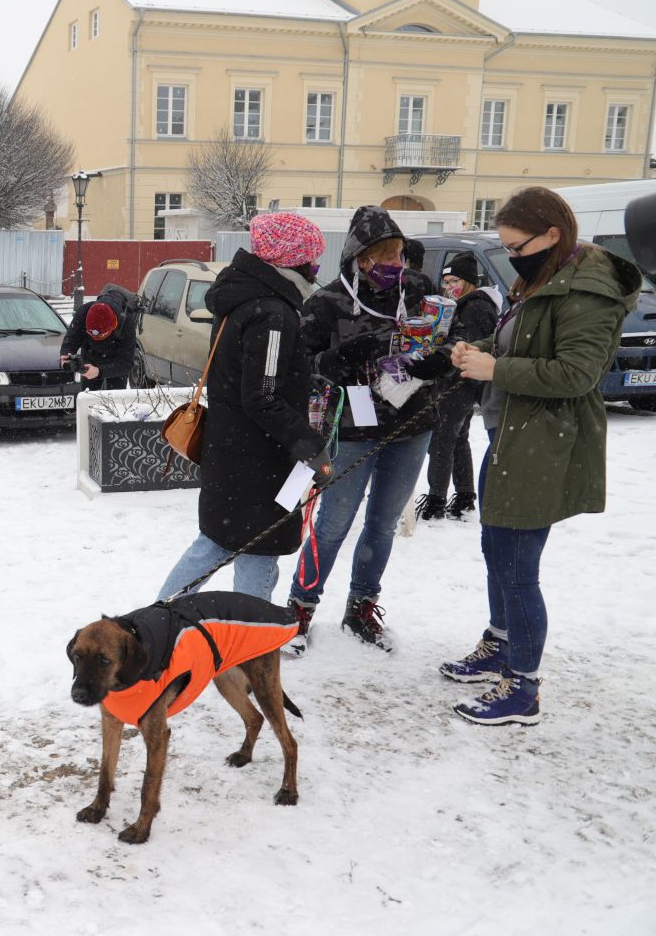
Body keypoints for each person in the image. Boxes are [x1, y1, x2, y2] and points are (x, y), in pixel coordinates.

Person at [442, 188, 639, 726]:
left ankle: (523, 687)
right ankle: (501, 643)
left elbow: (578, 375)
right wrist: (478, 347)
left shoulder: (589, 292)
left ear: (552, 233)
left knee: (517, 566)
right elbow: (520, 338)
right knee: (494, 546)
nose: (510, 255)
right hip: (508, 432)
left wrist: (495, 370)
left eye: (515, 244)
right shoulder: (545, 275)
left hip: (541, 440)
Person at [156, 213, 332, 603]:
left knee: (219, 544)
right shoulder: (272, 312)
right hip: (257, 461)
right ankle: (250, 643)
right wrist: (307, 443)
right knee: (253, 549)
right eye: (312, 260)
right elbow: (262, 394)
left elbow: (251, 375)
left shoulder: (245, 294)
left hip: (234, 449)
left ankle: (159, 619)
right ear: (291, 261)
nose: (316, 269)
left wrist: (301, 380)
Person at [285, 205, 437, 655]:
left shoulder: (419, 290)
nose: (395, 266)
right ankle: (299, 609)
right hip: (353, 425)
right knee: (332, 524)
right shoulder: (327, 302)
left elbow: (441, 339)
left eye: (400, 256)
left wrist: (439, 359)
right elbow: (300, 366)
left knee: (383, 523)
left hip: (413, 421)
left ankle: (361, 606)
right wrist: (336, 361)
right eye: (385, 256)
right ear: (361, 258)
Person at [407, 253, 499, 521]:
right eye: (446, 281)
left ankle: (437, 499)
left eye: (454, 280)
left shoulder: (476, 307)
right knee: (457, 439)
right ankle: (464, 496)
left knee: (442, 439)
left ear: (468, 281)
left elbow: (480, 344)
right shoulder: (464, 304)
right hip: (459, 381)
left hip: (460, 382)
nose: (449, 286)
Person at [59, 284, 139, 390]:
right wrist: (66, 354)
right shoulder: (84, 311)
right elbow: (71, 339)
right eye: (90, 333)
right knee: (88, 399)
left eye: (101, 335)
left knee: (115, 401)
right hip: (90, 358)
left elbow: (126, 363)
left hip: (116, 363)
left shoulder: (126, 323)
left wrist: (99, 371)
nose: (95, 338)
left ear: (113, 326)